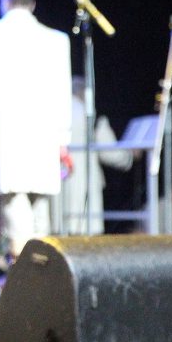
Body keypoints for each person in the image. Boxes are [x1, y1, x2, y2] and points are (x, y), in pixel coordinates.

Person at [0, 0, 72, 265]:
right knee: (39, 203)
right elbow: (63, 93)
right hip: (45, 131)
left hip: (9, 129)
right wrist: (63, 139)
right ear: (33, 3)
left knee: (13, 201)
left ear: (4, 2)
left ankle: (28, 274)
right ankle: (46, 273)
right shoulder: (56, 40)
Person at [58, 76, 134, 235]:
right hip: (85, 186)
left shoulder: (57, 111)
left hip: (60, 184)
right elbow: (110, 153)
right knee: (86, 237)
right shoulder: (90, 116)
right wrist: (129, 156)